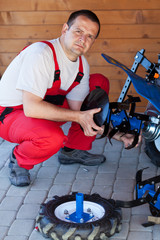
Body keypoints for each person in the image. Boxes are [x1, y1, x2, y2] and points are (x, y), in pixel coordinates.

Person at [0, 10, 136, 187]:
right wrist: (79, 116)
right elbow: (32, 108)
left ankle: (72, 150)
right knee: (52, 138)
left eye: (90, 36)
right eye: (78, 31)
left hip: (44, 107)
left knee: (98, 83)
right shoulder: (41, 54)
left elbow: (82, 113)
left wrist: (117, 134)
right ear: (65, 29)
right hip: (12, 115)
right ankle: (18, 159)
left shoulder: (81, 66)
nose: (83, 39)